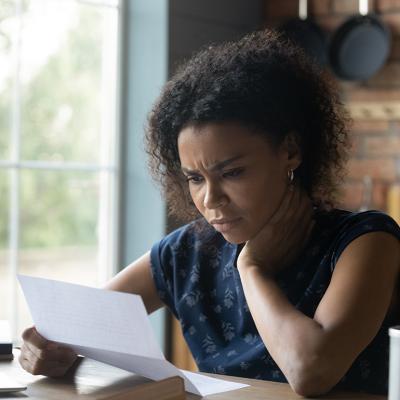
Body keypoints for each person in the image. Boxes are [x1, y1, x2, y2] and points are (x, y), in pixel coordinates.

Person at [19, 29, 400, 397]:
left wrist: (252, 269)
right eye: (195, 179)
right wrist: (45, 348)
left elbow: (311, 371)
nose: (211, 199)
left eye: (232, 173)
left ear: (291, 151)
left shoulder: (365, 242)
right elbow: (72, 328)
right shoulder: (187, 252)